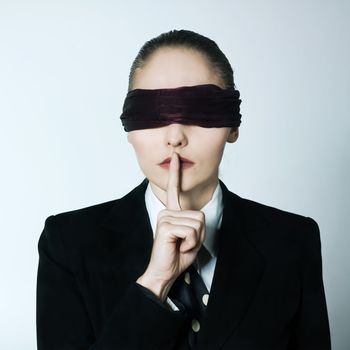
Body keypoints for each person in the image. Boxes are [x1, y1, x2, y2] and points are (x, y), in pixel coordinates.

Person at [36, 29, 331, 350]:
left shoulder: (290, 241)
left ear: (233, 126)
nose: (174, 136)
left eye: (200, 110)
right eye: (153, 114)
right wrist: (154, 283)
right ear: (129, 129)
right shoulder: (68, 243)